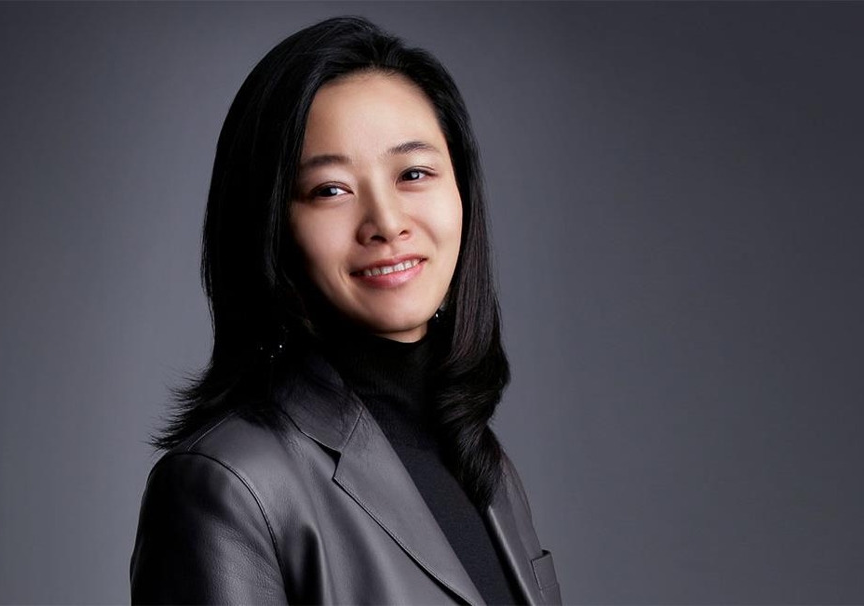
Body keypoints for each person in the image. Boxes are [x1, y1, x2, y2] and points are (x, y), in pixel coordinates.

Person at [130, 16, 560, 605]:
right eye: (330, 190)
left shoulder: (485, 466)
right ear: (270, 226)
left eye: (414, 174)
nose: (386, 222)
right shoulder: (228, 485)